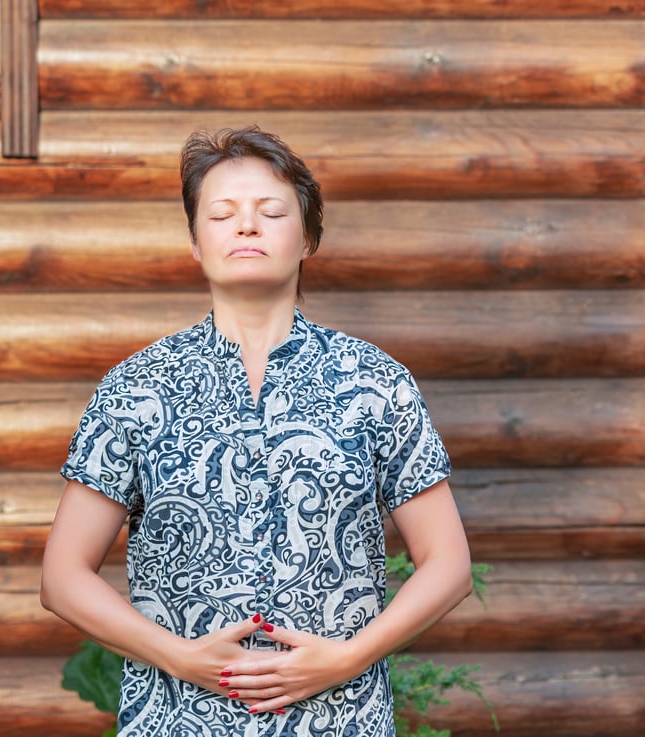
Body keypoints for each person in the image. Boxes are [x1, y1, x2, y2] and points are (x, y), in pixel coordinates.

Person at [40, 126, 472, 736]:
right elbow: (62, 577)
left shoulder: (375, 382)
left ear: (308, 239)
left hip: (341, 720)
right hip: (175, 719)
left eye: (271, 212)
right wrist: (180, 657)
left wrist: (346, 659)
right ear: (195, 242)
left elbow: (448, 563)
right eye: (221, 214)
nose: (247, 226)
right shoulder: (137, 387)